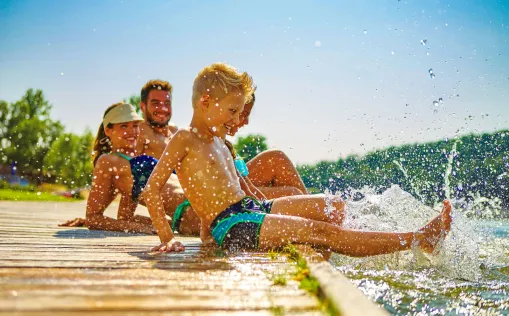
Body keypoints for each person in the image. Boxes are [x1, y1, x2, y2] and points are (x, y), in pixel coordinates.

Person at [144, 62, 452, 256]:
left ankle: (354, 244)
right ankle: (417, 238)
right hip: (234, 223)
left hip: (250, 209)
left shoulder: (219, 142)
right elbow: (152, 189)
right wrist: (167, 237)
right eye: (232, 111)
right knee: (322, 232)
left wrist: (206, 239)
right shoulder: (184, 138)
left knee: (330, 205)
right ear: (206, 102)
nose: (236, 120)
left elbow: (221, 190)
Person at [59, 102, 201, 235]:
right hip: (193, 212)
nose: (132, 131)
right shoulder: (108, 161)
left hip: (194, 208)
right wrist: (141, 228)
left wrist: (145, 225)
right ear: (108, 130)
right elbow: (93, 217)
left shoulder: (132, 160)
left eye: (134, 125)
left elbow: (125, 218)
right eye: (124, 126)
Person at [225, 92, 308, 199]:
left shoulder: (223, 144)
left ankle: (314, 208)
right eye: (244, 114)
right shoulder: (211, 142)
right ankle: (313, 209)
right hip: (226, 192)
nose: (246, 121)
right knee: (293, 194)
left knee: (276, 158)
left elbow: (246, 184)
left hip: (236, 183)